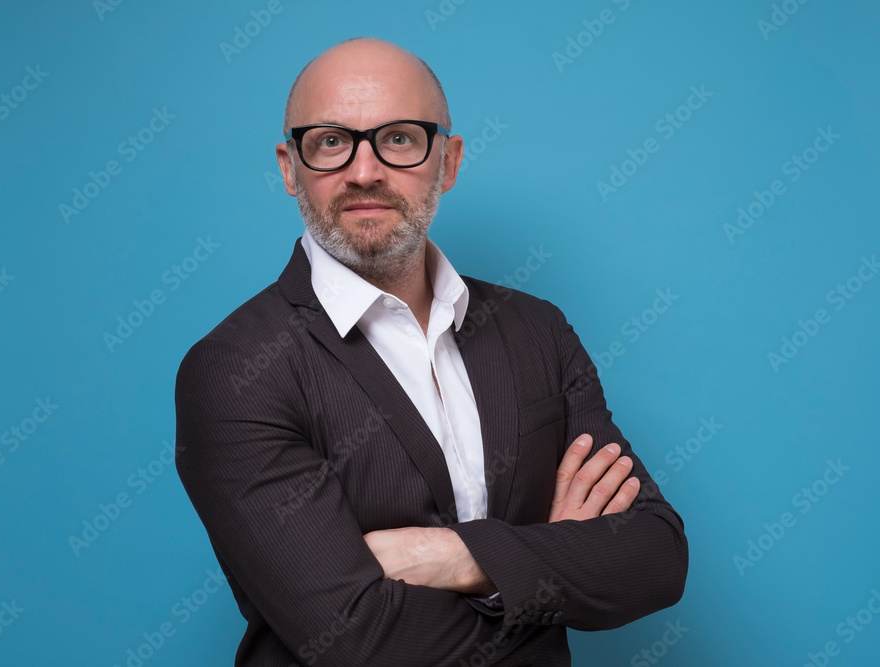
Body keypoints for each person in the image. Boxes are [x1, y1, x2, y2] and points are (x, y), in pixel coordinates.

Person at [175, 37, 687, 667]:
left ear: (448, 161)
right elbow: (358, 642)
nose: (365, 171)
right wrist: (548, 563)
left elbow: (656, 558)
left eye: (398, 138)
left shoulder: (535, 330)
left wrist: (458, 558)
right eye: (331, 141)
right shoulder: (236, 370)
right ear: (289, 167)